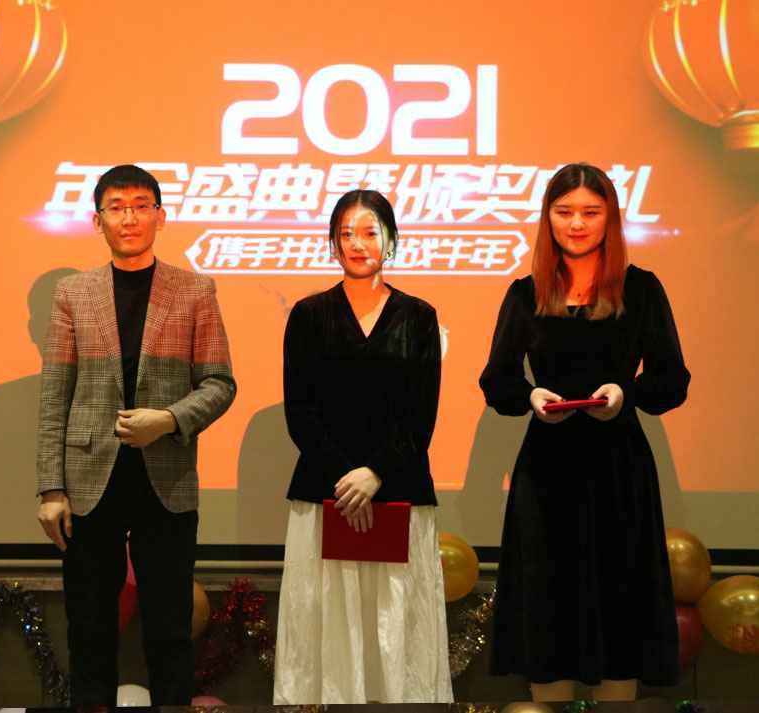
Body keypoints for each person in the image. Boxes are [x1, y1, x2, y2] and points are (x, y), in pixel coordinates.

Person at [479, 163, 690, 701]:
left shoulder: (642, 289)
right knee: (548, 609)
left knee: (620, 610)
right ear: (547, 218)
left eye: (590, 213)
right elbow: (497, 380)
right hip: (546, 472)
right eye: (564, 212)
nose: (576, 224)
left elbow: (672, 379)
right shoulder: (525, 293)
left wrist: (625, 393)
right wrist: (530, 397)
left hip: (618, 470)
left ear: (610, 218)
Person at [35, 164, 236, 707]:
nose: (130, 217)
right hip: (88, 480)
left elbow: (219, 384)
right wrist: (51, 488)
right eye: (117, 207)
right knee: (89, 631)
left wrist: (167, 419)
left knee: (170, 632)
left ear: (160, 217)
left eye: (141, 206)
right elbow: (55, 395)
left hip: (165, 479)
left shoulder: (195, 290)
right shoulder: (73, 293)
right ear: (97, 220)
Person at [273, 189, 453, 704]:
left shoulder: (418, 316)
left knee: (396, 632)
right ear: (332, 243)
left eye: (370, 232)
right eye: (346, 233)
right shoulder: (308, 315)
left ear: (391, 240)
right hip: (324, 495)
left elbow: (421, 415)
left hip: (399, 492)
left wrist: (374, 473)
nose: (358, 243)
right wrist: (346, 477)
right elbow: (300, 411)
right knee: (325, 629)